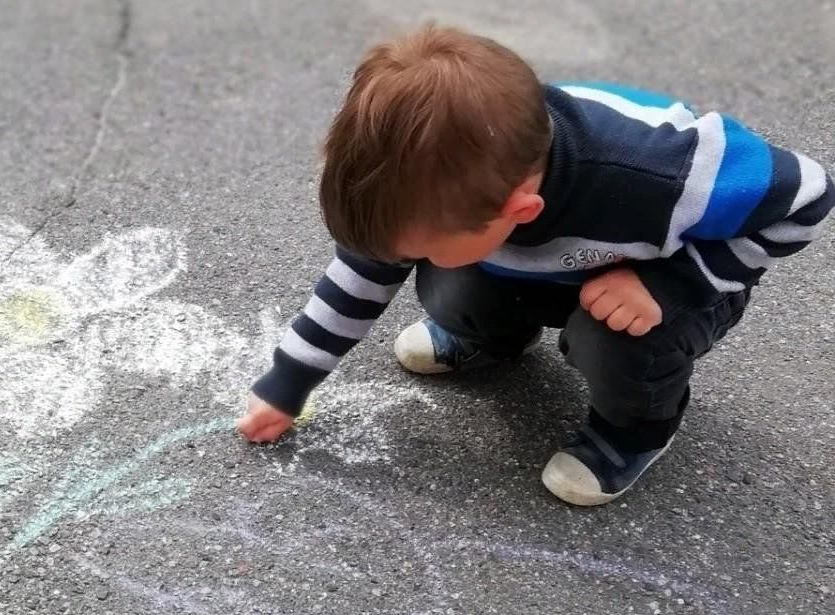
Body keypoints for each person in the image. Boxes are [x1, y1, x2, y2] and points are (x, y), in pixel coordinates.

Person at [237, 25, 833, 505]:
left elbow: (809, 195)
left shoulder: (663, 175)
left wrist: (677, 281)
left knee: (618, 336)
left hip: (660, 285)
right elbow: (359, 279)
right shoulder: (437, 186)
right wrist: (288, 385)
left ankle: (634, 433)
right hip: (540, 262)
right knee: (448, 279)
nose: (401, 258)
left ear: (519, 209)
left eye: (415, 244)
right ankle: (488, 337)